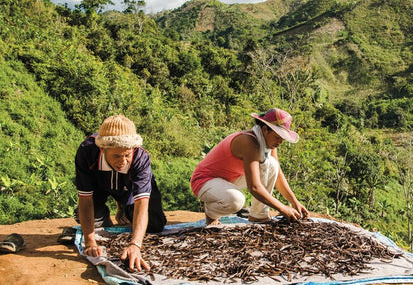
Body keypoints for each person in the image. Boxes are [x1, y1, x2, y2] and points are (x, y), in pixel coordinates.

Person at [74, 114, 167, 271]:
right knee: (90, 223)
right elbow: (85, 198)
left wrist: (135, 245)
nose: (122, 161)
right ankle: (103, 212)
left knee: (155, 224)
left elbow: (142, 203)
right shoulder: (87, 152)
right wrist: (90, 242)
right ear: (102, 149)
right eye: (116, 156)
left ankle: (124, 206)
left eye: (127, 155)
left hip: (128, 187)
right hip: (99, 185)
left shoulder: (140, 157)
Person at [190, 108, 309, 225]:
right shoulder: (248, 142)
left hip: (230, 179)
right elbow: (254, 187)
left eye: (282, 139)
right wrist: (282, 208)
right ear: (265, 130)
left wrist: (294, 202)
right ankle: (211, 214)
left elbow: (277, 175)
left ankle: (258, 215)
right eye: (277, 137)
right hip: (204, 181)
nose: (280, 142)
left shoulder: (268, 143)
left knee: (272, 165)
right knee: (236, 201)